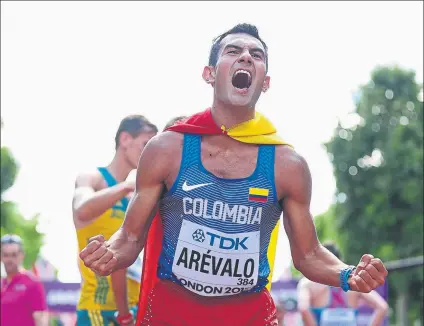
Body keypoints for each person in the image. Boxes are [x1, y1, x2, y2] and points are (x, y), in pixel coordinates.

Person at [79, 23, 388, 326]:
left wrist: (347, 274)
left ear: (264, 82)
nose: (246, 57)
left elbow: (308, 255)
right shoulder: (166, 149)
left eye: (256, 54)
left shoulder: (287, 165)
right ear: (209, 74)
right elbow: (131, 237)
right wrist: (110, 254)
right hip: (171, 315)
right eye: (233, 50)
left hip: (249, 317)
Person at [73, 115, 157, 326]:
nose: (150, 153)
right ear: (125, 139)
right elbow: (81, 209)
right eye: (145, 144)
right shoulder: (92, 178)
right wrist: (129, 186)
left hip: (132, 310)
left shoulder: (134, 197)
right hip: (97, 309)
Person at [297, 242, 389, 326]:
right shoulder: (353, 280)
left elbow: (303, 308)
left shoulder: (308, 283)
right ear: (339, 261)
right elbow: (382, 307)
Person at [1, 234, 49, 326]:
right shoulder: (2, 284)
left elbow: (41, 320)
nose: (9, 259)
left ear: (21, 256)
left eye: (13, 255)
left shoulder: (32, 283)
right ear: (1, 257)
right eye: (6, 255)